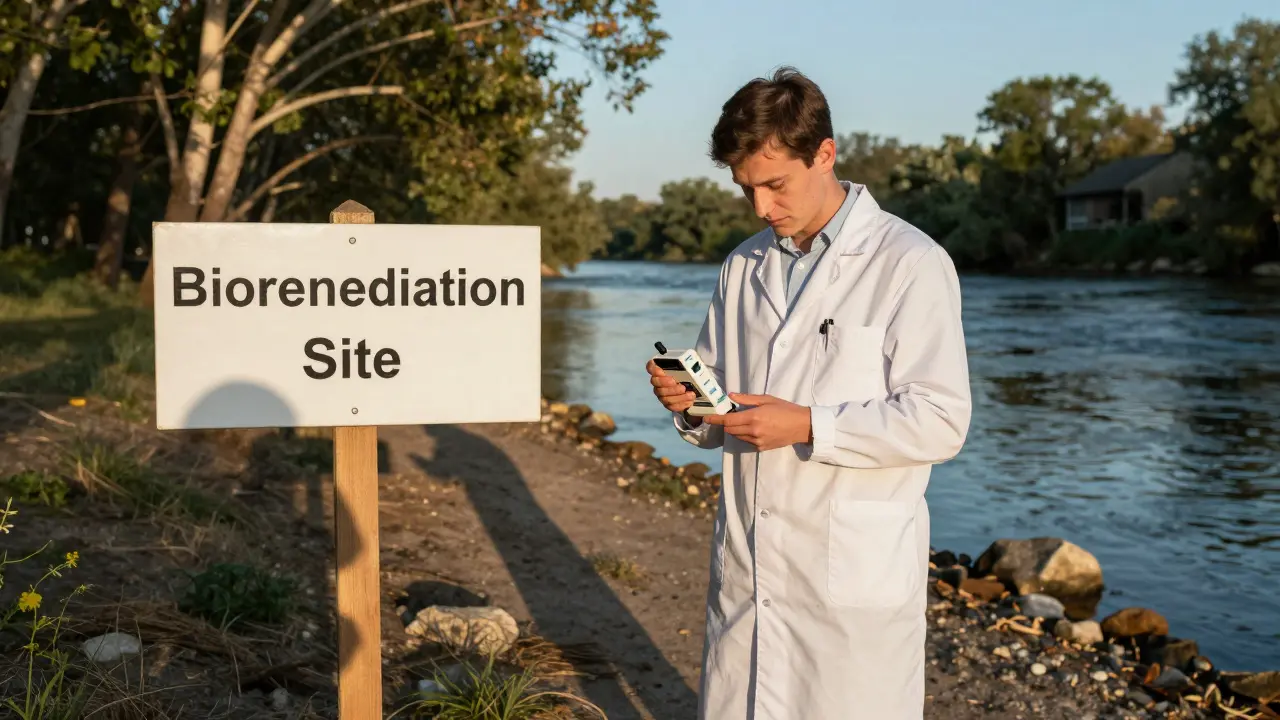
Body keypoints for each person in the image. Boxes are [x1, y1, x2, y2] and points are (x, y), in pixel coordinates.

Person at [645, 67, 972, 720]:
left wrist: (809, 425)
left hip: (852, 580)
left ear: (824, 154)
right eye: (747, 190)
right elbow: (724, 408)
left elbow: (941, 421)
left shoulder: (910, 262)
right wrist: (692, 408)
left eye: (775, 184)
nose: (763, 208)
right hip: (751, 569)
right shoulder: (743, 265)